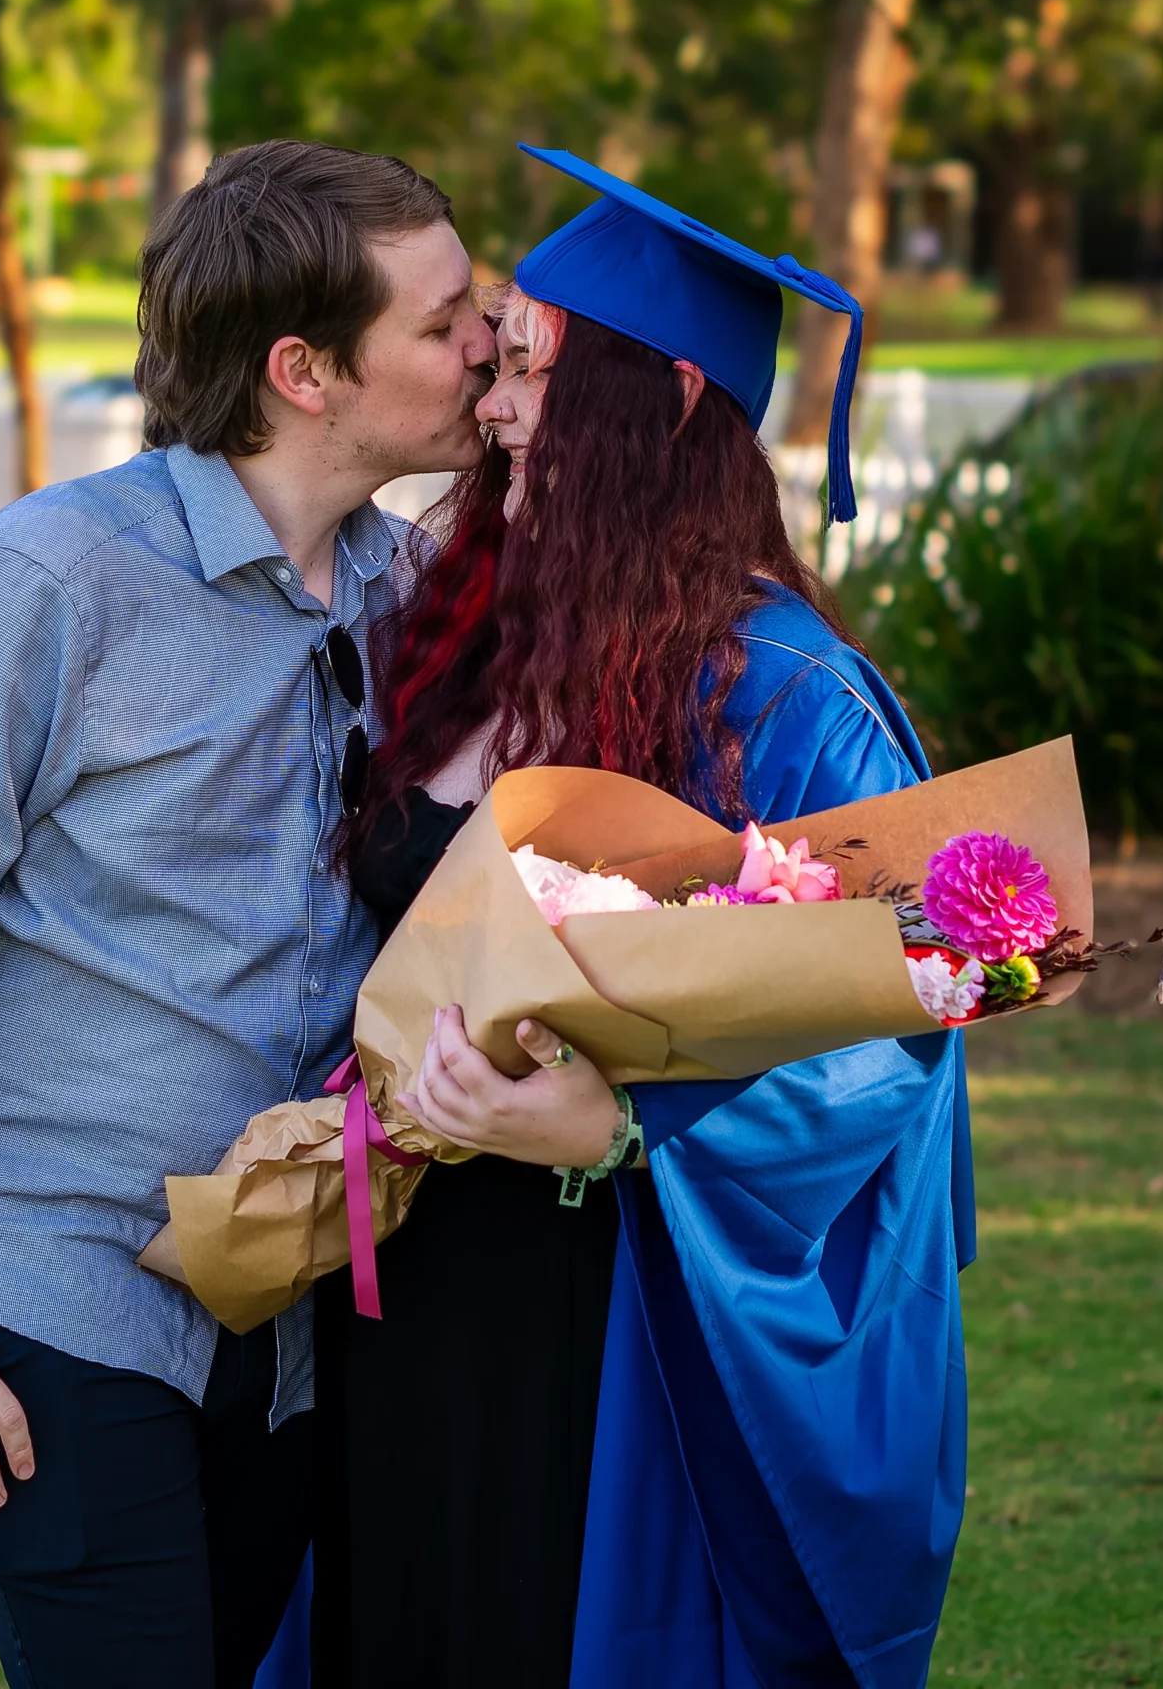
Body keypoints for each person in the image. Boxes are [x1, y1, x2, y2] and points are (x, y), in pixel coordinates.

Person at [0, 139, 497, 1689]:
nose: (485, 345)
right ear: (305, 371)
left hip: (289, 1299)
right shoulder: (44, 581)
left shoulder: (406, 591)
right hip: (64, 1295)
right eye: (444, 322)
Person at [309, 148, 974, 1689]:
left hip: (624, 1339)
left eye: (532, 363)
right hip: (408, 1289)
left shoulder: (791, 700)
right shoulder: (463, 631)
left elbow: (895, 1039)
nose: (495, 402)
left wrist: (614, 1129)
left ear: (666, 400)